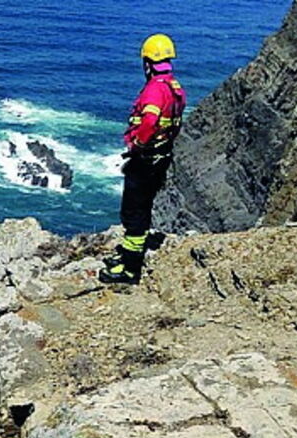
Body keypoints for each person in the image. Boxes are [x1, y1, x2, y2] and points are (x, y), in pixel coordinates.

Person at [100, 33, 187, 285]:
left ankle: (129, 270)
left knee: (133, 213)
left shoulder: (155, 90)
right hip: (160, 157)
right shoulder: (174, 88)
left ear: (148, 62)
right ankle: (129, 254)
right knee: (142, 209)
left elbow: (149, 120)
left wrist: (138, 143)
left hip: (145, 159)